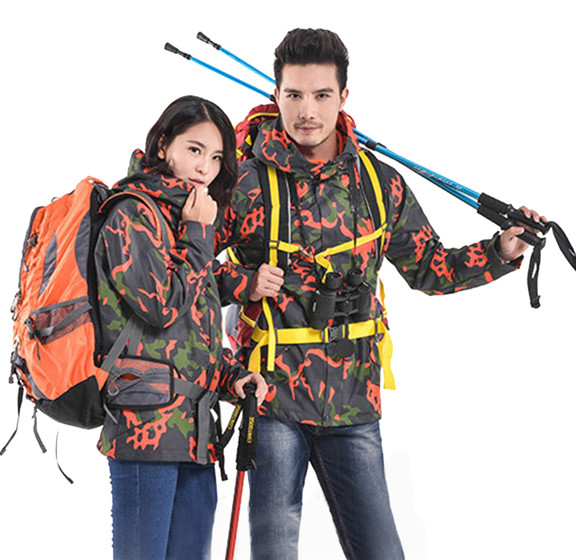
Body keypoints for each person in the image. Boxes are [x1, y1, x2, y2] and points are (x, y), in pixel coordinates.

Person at [216, 29, 545, 560]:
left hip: (354, 403)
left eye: (321, 95)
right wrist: (242, 283)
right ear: (275, 95)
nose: (306, 111)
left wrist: (501, 251)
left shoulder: (377, 183)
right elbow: (185, 274)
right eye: (293, 94)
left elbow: (431, 268)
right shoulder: (243, 184)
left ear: (343, 97)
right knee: (274, 551)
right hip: (272, 398)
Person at [94, 95, 267, 560]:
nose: (205, 167)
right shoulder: (132, 213)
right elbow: (159, 307)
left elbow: (194, 331)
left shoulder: (187, 219)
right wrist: (199, 235)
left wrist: (232, 378)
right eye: (194, 149)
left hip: (196, 434)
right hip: (145, 429)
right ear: (163, 145)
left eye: (217, 157)